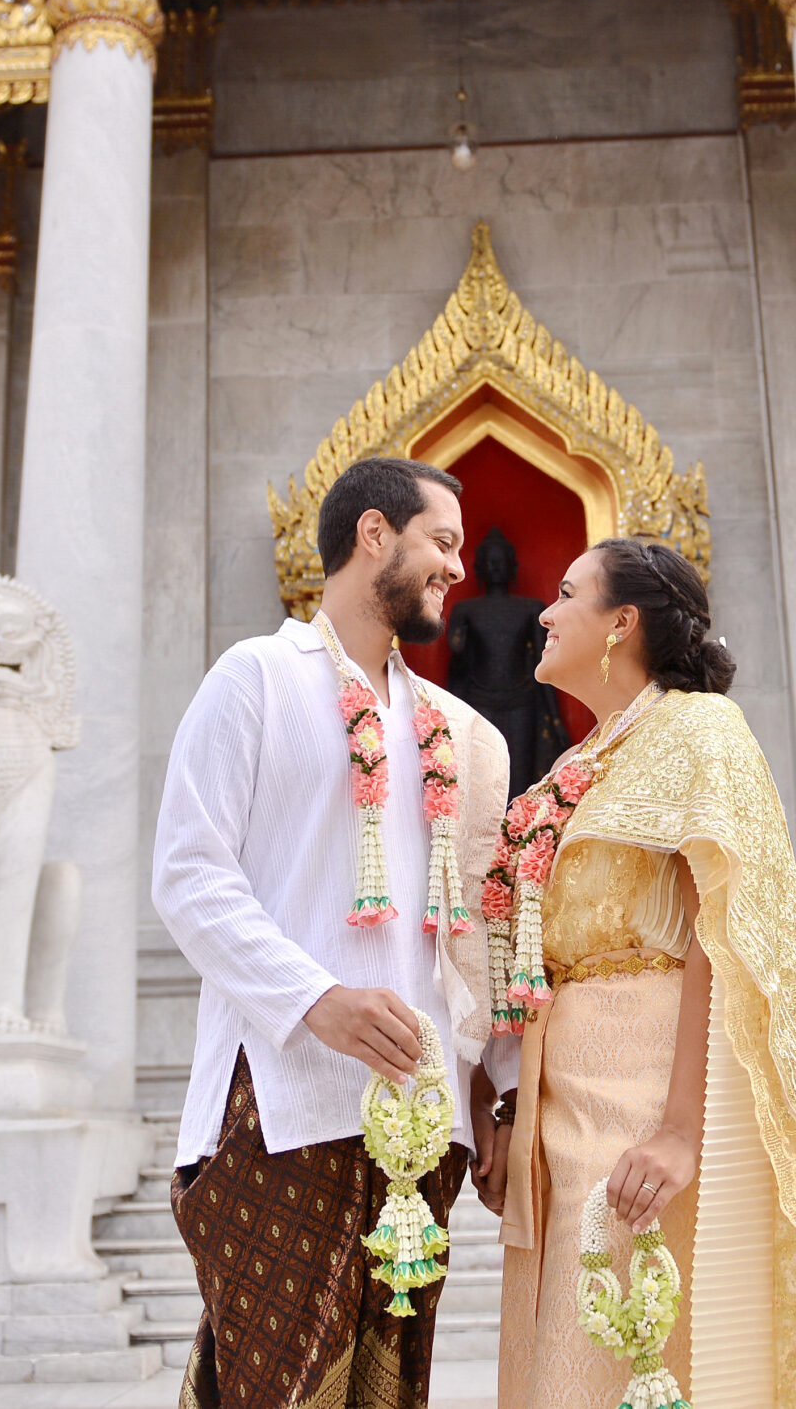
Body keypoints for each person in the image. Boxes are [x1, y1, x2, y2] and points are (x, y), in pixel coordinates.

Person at [479, 537, 796, 1409]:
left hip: (649, 1084)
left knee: (632, 1346)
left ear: (621, 622)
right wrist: (508, 1107)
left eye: (567, 593)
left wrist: (679, 1129)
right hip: (562, 1096)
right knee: (567, 1354)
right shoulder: (577, 766)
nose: (545, 612)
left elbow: (723, 928)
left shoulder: (699, 728)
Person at [152, 456, 512, 1409]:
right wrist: (317, 999)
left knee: (393, 1395)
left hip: (423, 1126)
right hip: (283, 1105)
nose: (458, 568)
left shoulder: (462, 733)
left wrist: (494, 1089)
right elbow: (188, 872)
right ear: (373, 533)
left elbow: (477, 929)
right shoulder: (257, 678)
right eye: (441, 541)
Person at [445, 527, 571, 790]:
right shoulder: (465, 610)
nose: (495, 567)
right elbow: (457, 668)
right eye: (489, 561)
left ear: (512, 566)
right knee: (482, 774)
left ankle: (522, 817)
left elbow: (543, 663)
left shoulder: (530, 608)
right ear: (478, 568)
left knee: (520, 773)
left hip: (521, 700)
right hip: (479, 700)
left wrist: (555, 719)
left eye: (500, 561)